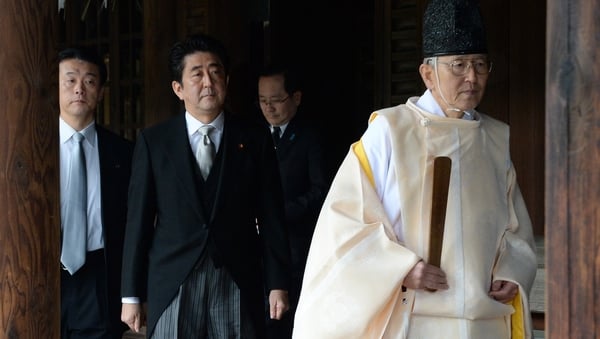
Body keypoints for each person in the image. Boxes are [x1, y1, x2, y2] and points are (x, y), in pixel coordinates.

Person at [292, 0, 538, 338]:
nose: (472, 77)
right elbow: (345, 222)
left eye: (481, 65)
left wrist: (512, 271)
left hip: (484, 318)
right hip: (415, 313)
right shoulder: (390, 130)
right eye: (459, 65)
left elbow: (516, 226)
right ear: (427, 73)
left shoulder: (495, 138)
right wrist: (401, 269)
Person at [120, 34, 291, 338]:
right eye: (196, 74)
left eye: (215, 72)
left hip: (237, 276)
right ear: (178, 88)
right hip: (173, 279)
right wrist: (131, 295)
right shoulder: (154, 142)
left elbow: (271, 215)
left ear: (226, 79)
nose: (208, 82)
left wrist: (278, 283)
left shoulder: (254, 138)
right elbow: (138, 222)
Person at [59, 46, 133, 338]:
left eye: (89, 81)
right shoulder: (30, 148)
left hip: (99, 277)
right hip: (40, 271)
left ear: (101, 92)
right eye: (70, 80)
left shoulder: (123, 153)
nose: (80, 89)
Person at [257, 64, 330, 338]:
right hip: (259, 249)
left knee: (290, 321)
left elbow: (320, 190)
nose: (269, 108)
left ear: (295, 98)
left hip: (297, 245)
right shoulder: (254, 136)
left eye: (276, 100)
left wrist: (278, 215)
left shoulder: (312, 137)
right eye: (263, 101)